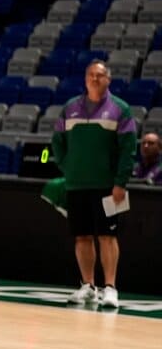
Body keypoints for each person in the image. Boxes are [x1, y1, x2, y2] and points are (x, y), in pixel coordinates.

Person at [52, 60, 137, 309]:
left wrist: (120, 182)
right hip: (76, 185)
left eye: (99, 75)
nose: (94, 79)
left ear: (108, 79)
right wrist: (68, 167)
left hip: (108, 187)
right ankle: (87, 286)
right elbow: (57, 142)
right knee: (82, 237)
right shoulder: (70, 108)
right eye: (90, 75)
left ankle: (110, 288)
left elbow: (128, 150)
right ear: (85, 79)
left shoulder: (120, 109)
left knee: (108, 237)